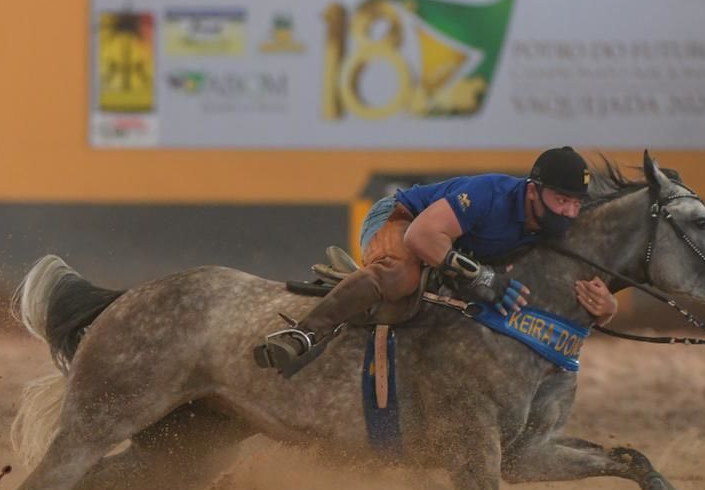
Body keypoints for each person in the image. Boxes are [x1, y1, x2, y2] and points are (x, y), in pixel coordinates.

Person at [254, 146, 618, 377]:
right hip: (402, 219)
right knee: (401, 276)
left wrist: (606, 308)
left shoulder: (558, 224)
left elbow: (572, 281)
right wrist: (483, 277)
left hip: (454, 249)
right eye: (561, 199)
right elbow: (420, 237)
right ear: (534, 190)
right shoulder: (489, 194)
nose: (569, 211)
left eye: (576, 202)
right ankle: (304, 333)